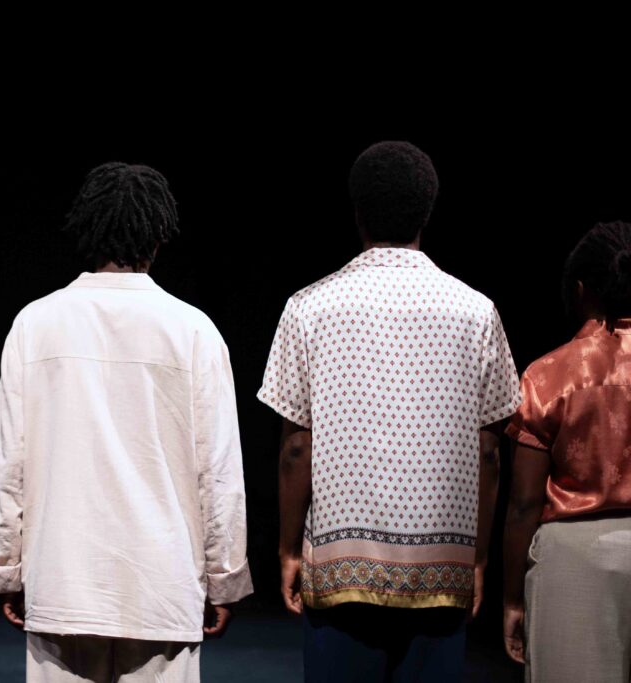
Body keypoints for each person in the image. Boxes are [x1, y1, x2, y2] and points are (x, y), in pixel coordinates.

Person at [258, 141, 522, 682]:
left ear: (357, 212)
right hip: (441, 570)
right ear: (428, 213)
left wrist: (286, 549)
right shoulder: (476, 313)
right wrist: (478, 561)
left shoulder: (309, 307)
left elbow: (295, 447)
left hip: (338, 567)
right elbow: (490, 453)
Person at [0, 161, 253, 682]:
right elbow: (218, 472)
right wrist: (224, 578)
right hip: (162, 584)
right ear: (158, 235)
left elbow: (8, 464)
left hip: (63, 579)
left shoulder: (34, 324)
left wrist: (7, 570)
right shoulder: (193, 330)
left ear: (86, 229)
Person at [502, 221, 631, 682]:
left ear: (580, 290)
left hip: (576, 558)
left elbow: (523, 503)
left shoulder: (548, 376)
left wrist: (512, 598)